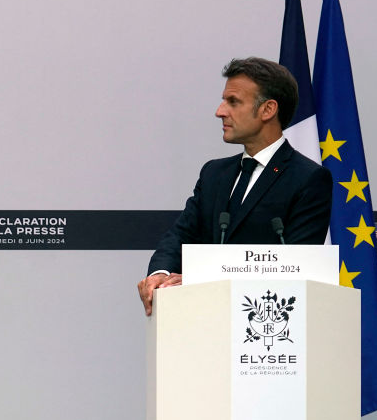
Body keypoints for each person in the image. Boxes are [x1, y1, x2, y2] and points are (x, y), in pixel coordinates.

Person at [137, 57, 331, 316]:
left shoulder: (308, 178)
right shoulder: (214, 173)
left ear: (267, 110)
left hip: (265, 327)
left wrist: (203, 280)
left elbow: (296, 265)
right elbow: (182, 235)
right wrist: (159, 274)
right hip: (201, 323)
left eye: (233, 102)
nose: (220, 111)